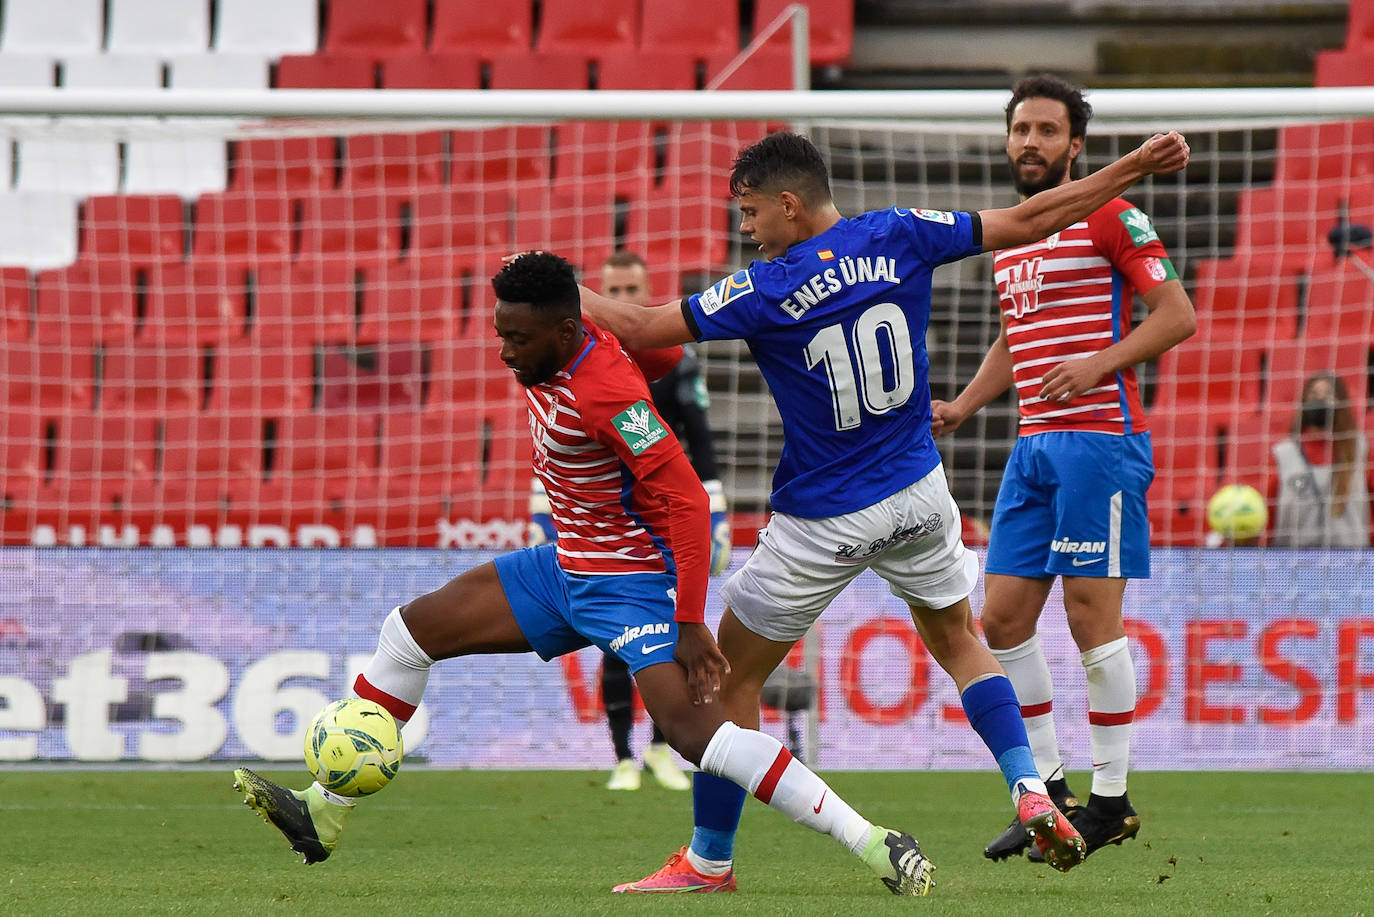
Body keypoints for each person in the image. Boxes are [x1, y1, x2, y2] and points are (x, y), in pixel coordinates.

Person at [576, 125, 1189, 891]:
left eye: (750, 213)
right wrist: (1133, 164)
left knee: (723, 683)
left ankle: (709, 858)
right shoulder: (902, 231)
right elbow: (1033, 220)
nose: (745, 230)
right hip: (920, 492)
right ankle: (1030, 784)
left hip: (825, 516)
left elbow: (637, 327)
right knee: (962, 638)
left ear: (789, 206)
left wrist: (554, 287)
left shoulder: (764, 287)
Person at [232, 252, 938, 898]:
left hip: (627, 579)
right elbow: (657, 348)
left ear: (566, 330)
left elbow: (689, 500)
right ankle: (323, 813)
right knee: (409, 632)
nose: (505, 350)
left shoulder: (607, 394)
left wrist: (691, 621)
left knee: (696, 736)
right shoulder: (561, 347)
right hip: (563, 564)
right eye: (500, 333)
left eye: (519, 338)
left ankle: (874, 840)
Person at [930, 74, 1197, 863]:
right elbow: (1017, 335)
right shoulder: (1014, 232)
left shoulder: (1115, 213)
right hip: (1033, 444)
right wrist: (967, 405)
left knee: (1090, 619)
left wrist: (1097, 365)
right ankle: (1050, 794)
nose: (1031, 143)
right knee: (1003, 619)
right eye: (1021, 130)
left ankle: (1113, 799)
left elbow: (1177, 315)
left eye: (1048, 130)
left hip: (1099, 440)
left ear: (1075, 145)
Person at [526, 250, 729, 793]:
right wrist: (538, 506)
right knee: (614, 639)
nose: (623, 298)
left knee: (656, 638)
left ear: (645, 288)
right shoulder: (574, 350)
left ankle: (663, 749)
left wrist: (718, 502)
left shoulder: (661, 357)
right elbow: (557, 439)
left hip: (655, 519)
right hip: (596, 519)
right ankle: (622, 755)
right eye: (611, 288)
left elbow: (698, 437)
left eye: (632, 288)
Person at [1271, 370, 1370, 548]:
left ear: (1342, 403)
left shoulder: (1360, 450)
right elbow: (1269, 510)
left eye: (1328, 394)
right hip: (1294, 559)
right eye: (1314, 394)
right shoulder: (1283, 453)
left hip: (1350, 561)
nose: (1320, 400)